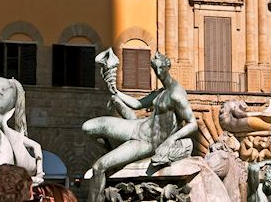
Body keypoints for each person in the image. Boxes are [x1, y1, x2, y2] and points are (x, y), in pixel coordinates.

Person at [82, 51, 198, 202]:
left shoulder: (176, 94)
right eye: (155, 69)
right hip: (136, 126)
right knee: (88, 127)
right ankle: (114, 150)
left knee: (99, 166)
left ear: (167, 67)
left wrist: (171, 139)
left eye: (160, 68)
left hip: (147, 142)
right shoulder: (161, 93)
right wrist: (116, 92)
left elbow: (193, 123)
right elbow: (137, 104)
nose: (158, 72)